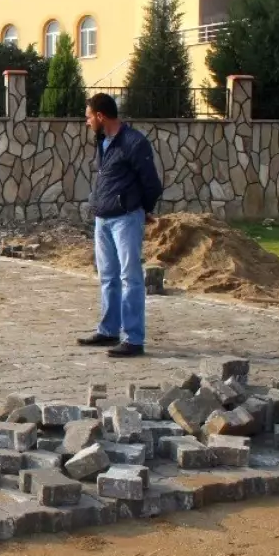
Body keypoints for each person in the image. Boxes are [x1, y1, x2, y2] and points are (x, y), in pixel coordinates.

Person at [77, 93, 163, 358]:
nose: (88, 122)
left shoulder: (134, 143)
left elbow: (152, 184)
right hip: (103, 219)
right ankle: (109, 330)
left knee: (130, 277)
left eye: (89, 117)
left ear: (101, 116)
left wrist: (143, 209)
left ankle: (133, 338)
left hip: (126, 218)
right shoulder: (102, 141)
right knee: (108, 276)